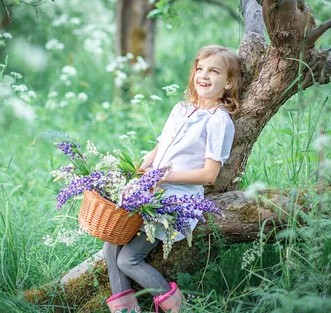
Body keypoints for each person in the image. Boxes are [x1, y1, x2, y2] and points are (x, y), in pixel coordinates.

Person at [103, 45, 241, 313]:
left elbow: (209, 175)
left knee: (128, 260)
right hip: (151, 195)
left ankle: (177, 306)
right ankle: (126, 310)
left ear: (229, 83)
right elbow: (159, 150)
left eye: (214, 71)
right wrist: (136, 172)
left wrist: (163, 175)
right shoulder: (180, 109)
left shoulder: (218, 121)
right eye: (200, 68)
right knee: (111, 247)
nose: (204, 75)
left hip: (175, 204)